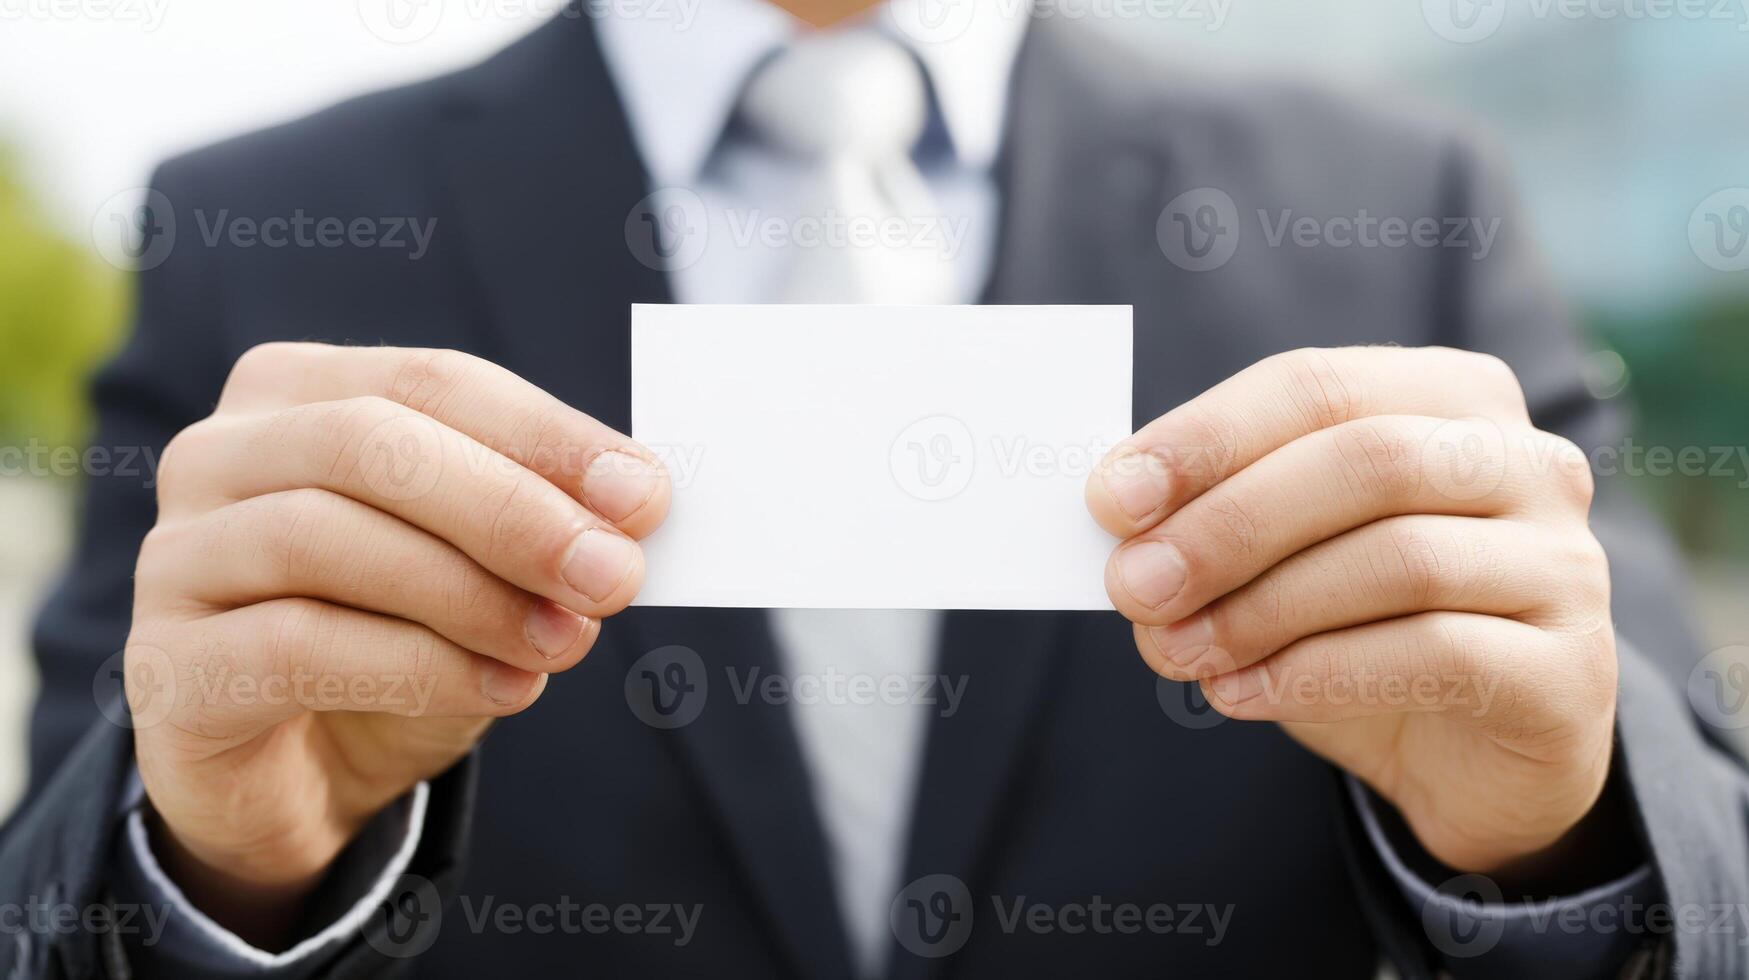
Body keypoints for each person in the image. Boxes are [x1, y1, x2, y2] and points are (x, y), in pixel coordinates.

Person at [1, 0, 1740, 976]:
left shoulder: (1399, 198)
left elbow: (1701, 847)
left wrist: (1549, 837)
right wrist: (222, 868)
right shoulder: (254, 224)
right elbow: (41, 898)